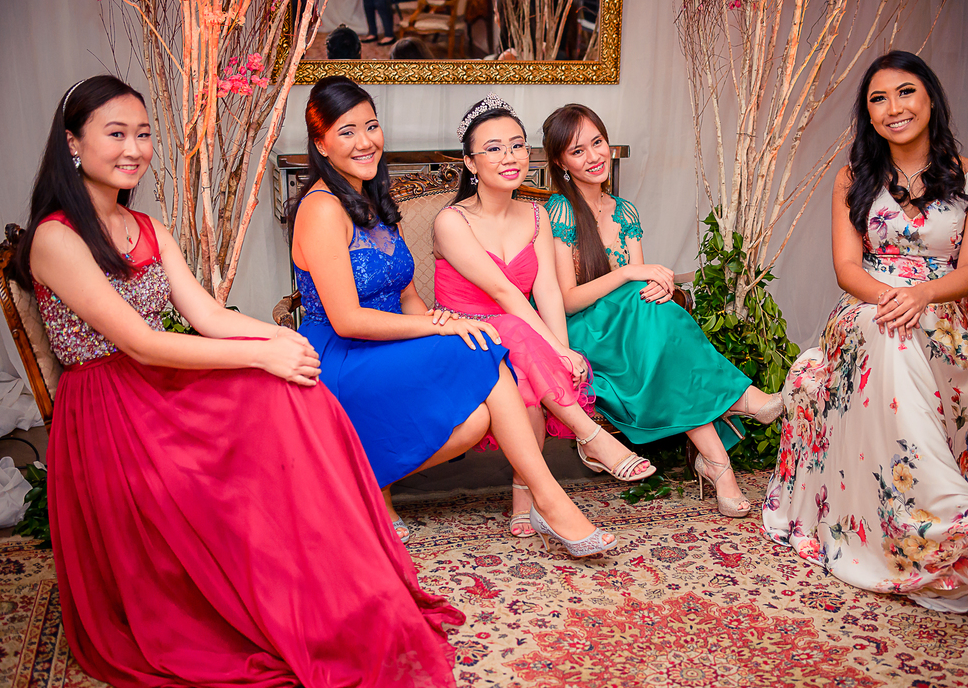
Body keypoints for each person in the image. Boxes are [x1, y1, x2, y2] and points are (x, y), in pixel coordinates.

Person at [18, 75, 464, 688]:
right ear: (72, 143)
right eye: (116, 134)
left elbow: (207, 315)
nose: (134, 149)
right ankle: (298, 572)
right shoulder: (56, 237)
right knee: (270, 384)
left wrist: (282, 340)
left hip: (158, 386)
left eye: (142, 134)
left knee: (297, 389)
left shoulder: (148, 226)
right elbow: (142, 343)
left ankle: (332, 572)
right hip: (112, 409)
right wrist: (262, 353)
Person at [290, 77, 617, 557]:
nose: (365, 141)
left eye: (372, 126)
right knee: (481, 344)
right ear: (321, 144)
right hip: (341, 354)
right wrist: (441, 325)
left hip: (389, 344)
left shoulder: (375, 201)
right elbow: (347, 321)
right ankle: (552, 501)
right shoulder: (321, 208)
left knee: (479, 397)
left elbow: (408, 298)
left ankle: (367, 481)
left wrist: (439, 331)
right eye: (347, 131)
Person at [762, 51, 968, 617]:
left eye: (905, 92)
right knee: (886, 331)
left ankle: (933, 520)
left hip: (941, 315)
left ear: (930, 99)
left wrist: (920, 295)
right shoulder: (853, 179)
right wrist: (890, 298)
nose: (893, 108)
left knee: (900, 329)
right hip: (865, 308)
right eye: (878, 99)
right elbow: (846, 269)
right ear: (869, 115)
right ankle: (945, 519)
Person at [541, 103, 784, 518]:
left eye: (597, 142)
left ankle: (720, 468)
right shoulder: (559, 210)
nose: (594, 156)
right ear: (561, 163)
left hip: (630, 330)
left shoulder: (625, 211)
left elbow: (641, 288)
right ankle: (741, 402)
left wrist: (659, 284)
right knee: (657, 329)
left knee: (659, 324)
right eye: (578, 151)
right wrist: (630, 274)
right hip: (581, 330)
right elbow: (566, 299)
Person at [433, 96, 657, 542]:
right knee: (515, 330)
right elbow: (503, 293)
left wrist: (563, 350)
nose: (509, 156)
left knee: (525, 371)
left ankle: (527, 500)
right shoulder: (451, 220)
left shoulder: (537, 215)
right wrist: (555, 349)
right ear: (470, 163)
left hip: (515, 341)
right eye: (494, 148)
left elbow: (547, 291)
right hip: (461, 337)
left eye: (517, 145)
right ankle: (590, 436)